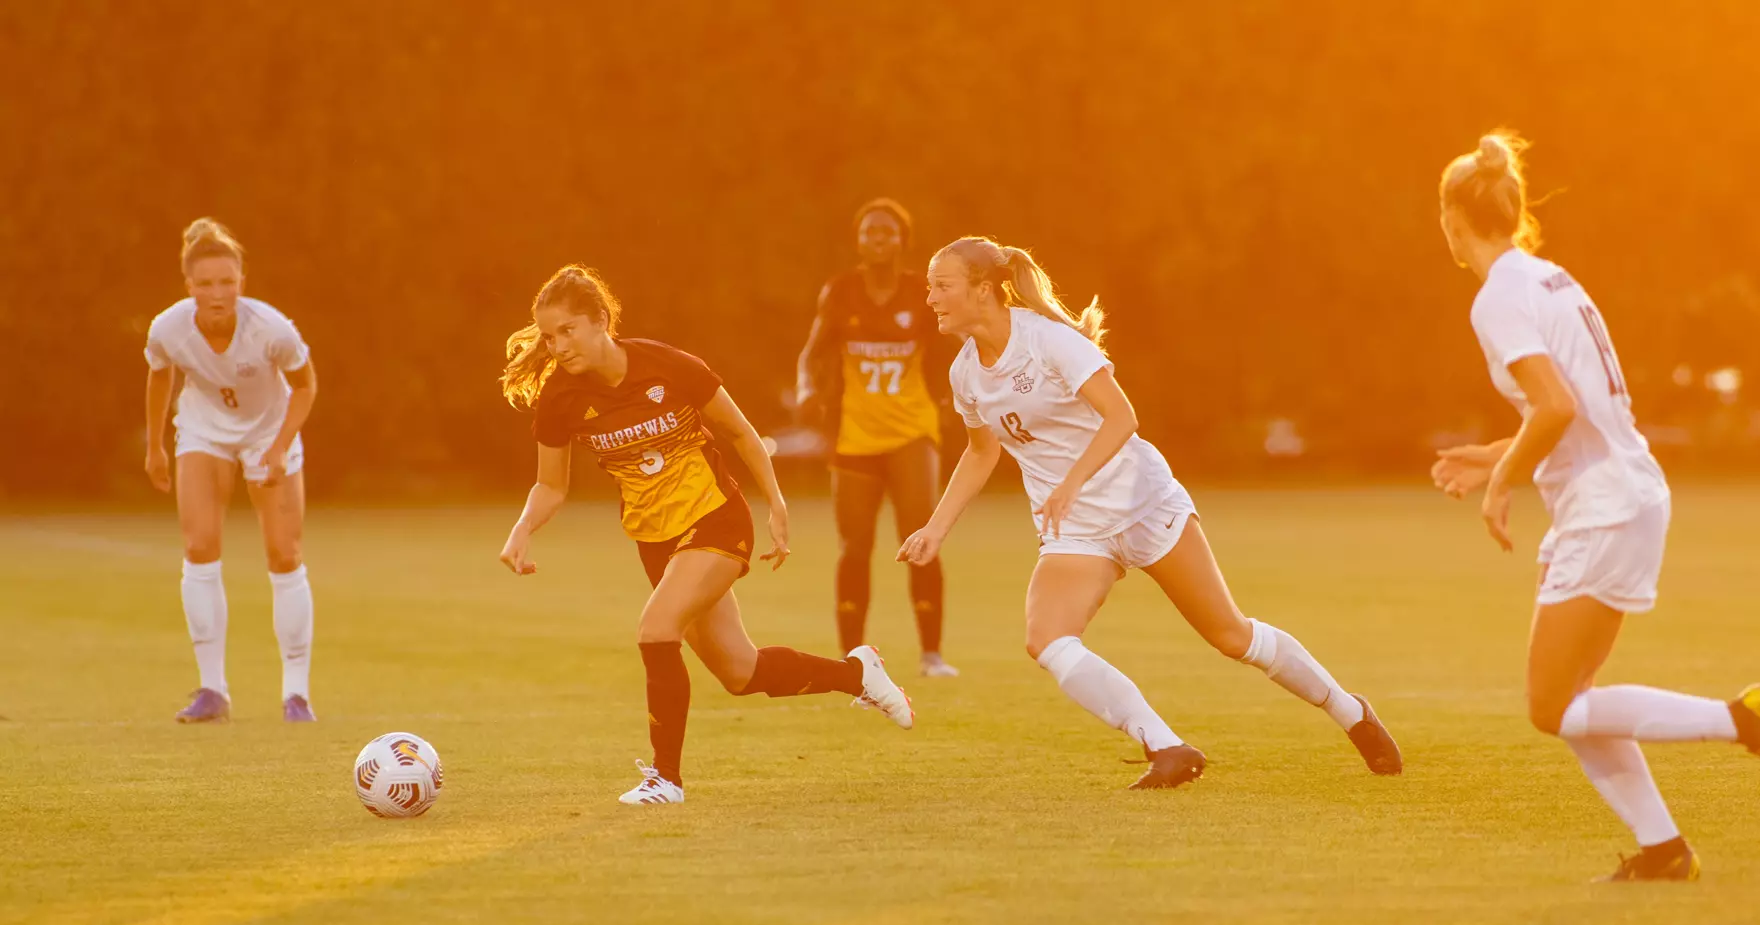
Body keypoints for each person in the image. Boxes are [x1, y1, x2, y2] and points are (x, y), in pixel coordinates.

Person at [1429, 131, 1760, 882]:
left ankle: (1739, 719)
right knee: (1573, 701)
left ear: (1452, 221)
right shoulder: (1549, 278)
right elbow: (1573, 406)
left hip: (1606, 507)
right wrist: (1493, 457)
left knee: (1550, 707)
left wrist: (1503, 483)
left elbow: (1558, 407)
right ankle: (1664, 851)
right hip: (1623, 496)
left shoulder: (1496, 298)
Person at [898, 237, 1401, 789]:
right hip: (1078, 530)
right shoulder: (965, 372)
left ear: (984, 290)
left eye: (941, 285)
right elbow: (980, 452)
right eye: (930, 287)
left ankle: (1350, 712)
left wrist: (1070, 482)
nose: (931, 298)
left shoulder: (1049, 342)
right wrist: (935, 528)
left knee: (1233, 637)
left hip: (1142, 502)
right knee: (1047, 639)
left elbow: (1122, 418)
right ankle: (1167, 747)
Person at [497, 264, 914, 805]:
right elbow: (550, 486)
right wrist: (522, 529)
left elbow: (741, 433)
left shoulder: (668, 366)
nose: (557, 346)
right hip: (655, 539)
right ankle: (857, 674)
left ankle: (665, 780)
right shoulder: (560, 397)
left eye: (567, 331)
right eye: (549, 336)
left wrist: (777, 504)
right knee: (741, 673)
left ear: (601, 320)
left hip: (715, 516)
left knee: (655, 629)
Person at [143, 218, 318, 723]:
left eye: (227, 282)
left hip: (270, 431)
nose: (217, 293)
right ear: (189, 288)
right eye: (205, 284)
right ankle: (212, 690)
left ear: (242, 282)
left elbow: (305, 386)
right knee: (199, 547)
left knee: (284, 554)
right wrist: (155, 446)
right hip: (203, 429)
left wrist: (280, 448)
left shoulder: (272, 329)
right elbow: (159, 376)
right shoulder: (168, 328)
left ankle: (296, 695)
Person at [795, 199, 958, 676]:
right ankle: (853, 658)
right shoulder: (841, 291)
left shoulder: (920, 293)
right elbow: (812, 353)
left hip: (911, 431)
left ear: (903, 242)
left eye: (887, 232)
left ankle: (931, 654)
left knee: (921, 539)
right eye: (869, 232)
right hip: (855, 436)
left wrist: (958, 394)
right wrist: (807, 389)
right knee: (855, 546)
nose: (877, 239)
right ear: (858, 241)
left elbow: (956, 343)